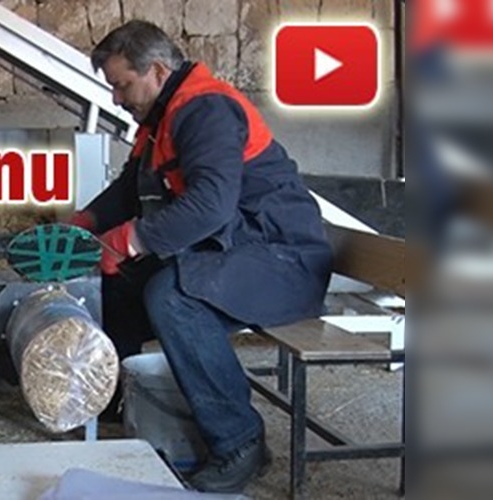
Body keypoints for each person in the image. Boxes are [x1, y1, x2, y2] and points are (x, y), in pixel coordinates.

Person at [68, 21, 333, 493]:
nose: (116, 98)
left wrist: (131, 239)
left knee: (173, 297)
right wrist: (87, 221)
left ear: (156, 70)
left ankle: (239, 440)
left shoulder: (205, 110)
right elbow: (129, 190)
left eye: (122, 85)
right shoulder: (161, 120)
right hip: (240, 251)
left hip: (284, 260)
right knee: (120, 282)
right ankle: (116, 398)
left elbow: (212, 205)